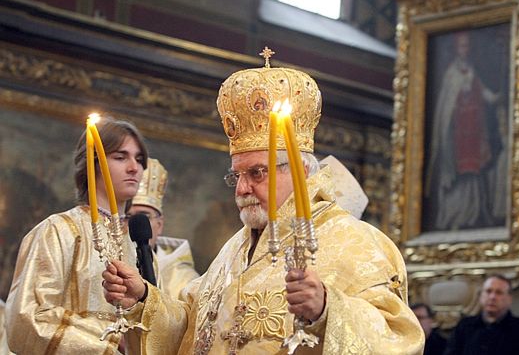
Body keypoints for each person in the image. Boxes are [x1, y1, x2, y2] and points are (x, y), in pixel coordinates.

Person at [102, 55, 425, 354]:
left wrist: (328, 309)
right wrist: (144, 299)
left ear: (299, 169)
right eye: (236, 176)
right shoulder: (235, 249)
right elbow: (190, 327)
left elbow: (400, 339)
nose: (243, 188)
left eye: (257, 172)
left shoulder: (356, 243)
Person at [5, 117, 148, 354]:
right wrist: (109, 343)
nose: (134, 167)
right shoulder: (59, 230)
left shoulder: (139, 243)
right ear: (93, 164)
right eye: (120, 157)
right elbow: (27, 318)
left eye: (139, 159)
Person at [425, 31, 504, 231]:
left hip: (474, 133)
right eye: (461, 46)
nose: (465, 50)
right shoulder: (451, 74)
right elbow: (446, 106)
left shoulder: (471, 70)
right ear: (456, 49)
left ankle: (473, 213)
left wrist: (495, 98)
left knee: (473, 172)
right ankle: (455, 215)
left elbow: (482, 91)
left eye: (467, 46)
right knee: (459, 173)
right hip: (458, 135)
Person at [126, 158, 199, 299]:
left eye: (144, 217)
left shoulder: (184, 280)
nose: (134, 225)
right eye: (127, 217)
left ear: (159, 225)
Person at [444, 274, 519, 355]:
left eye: (499, 292)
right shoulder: (464, 326)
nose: (492, 297)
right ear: (481, 296)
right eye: (488, 291)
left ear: (509, 299)